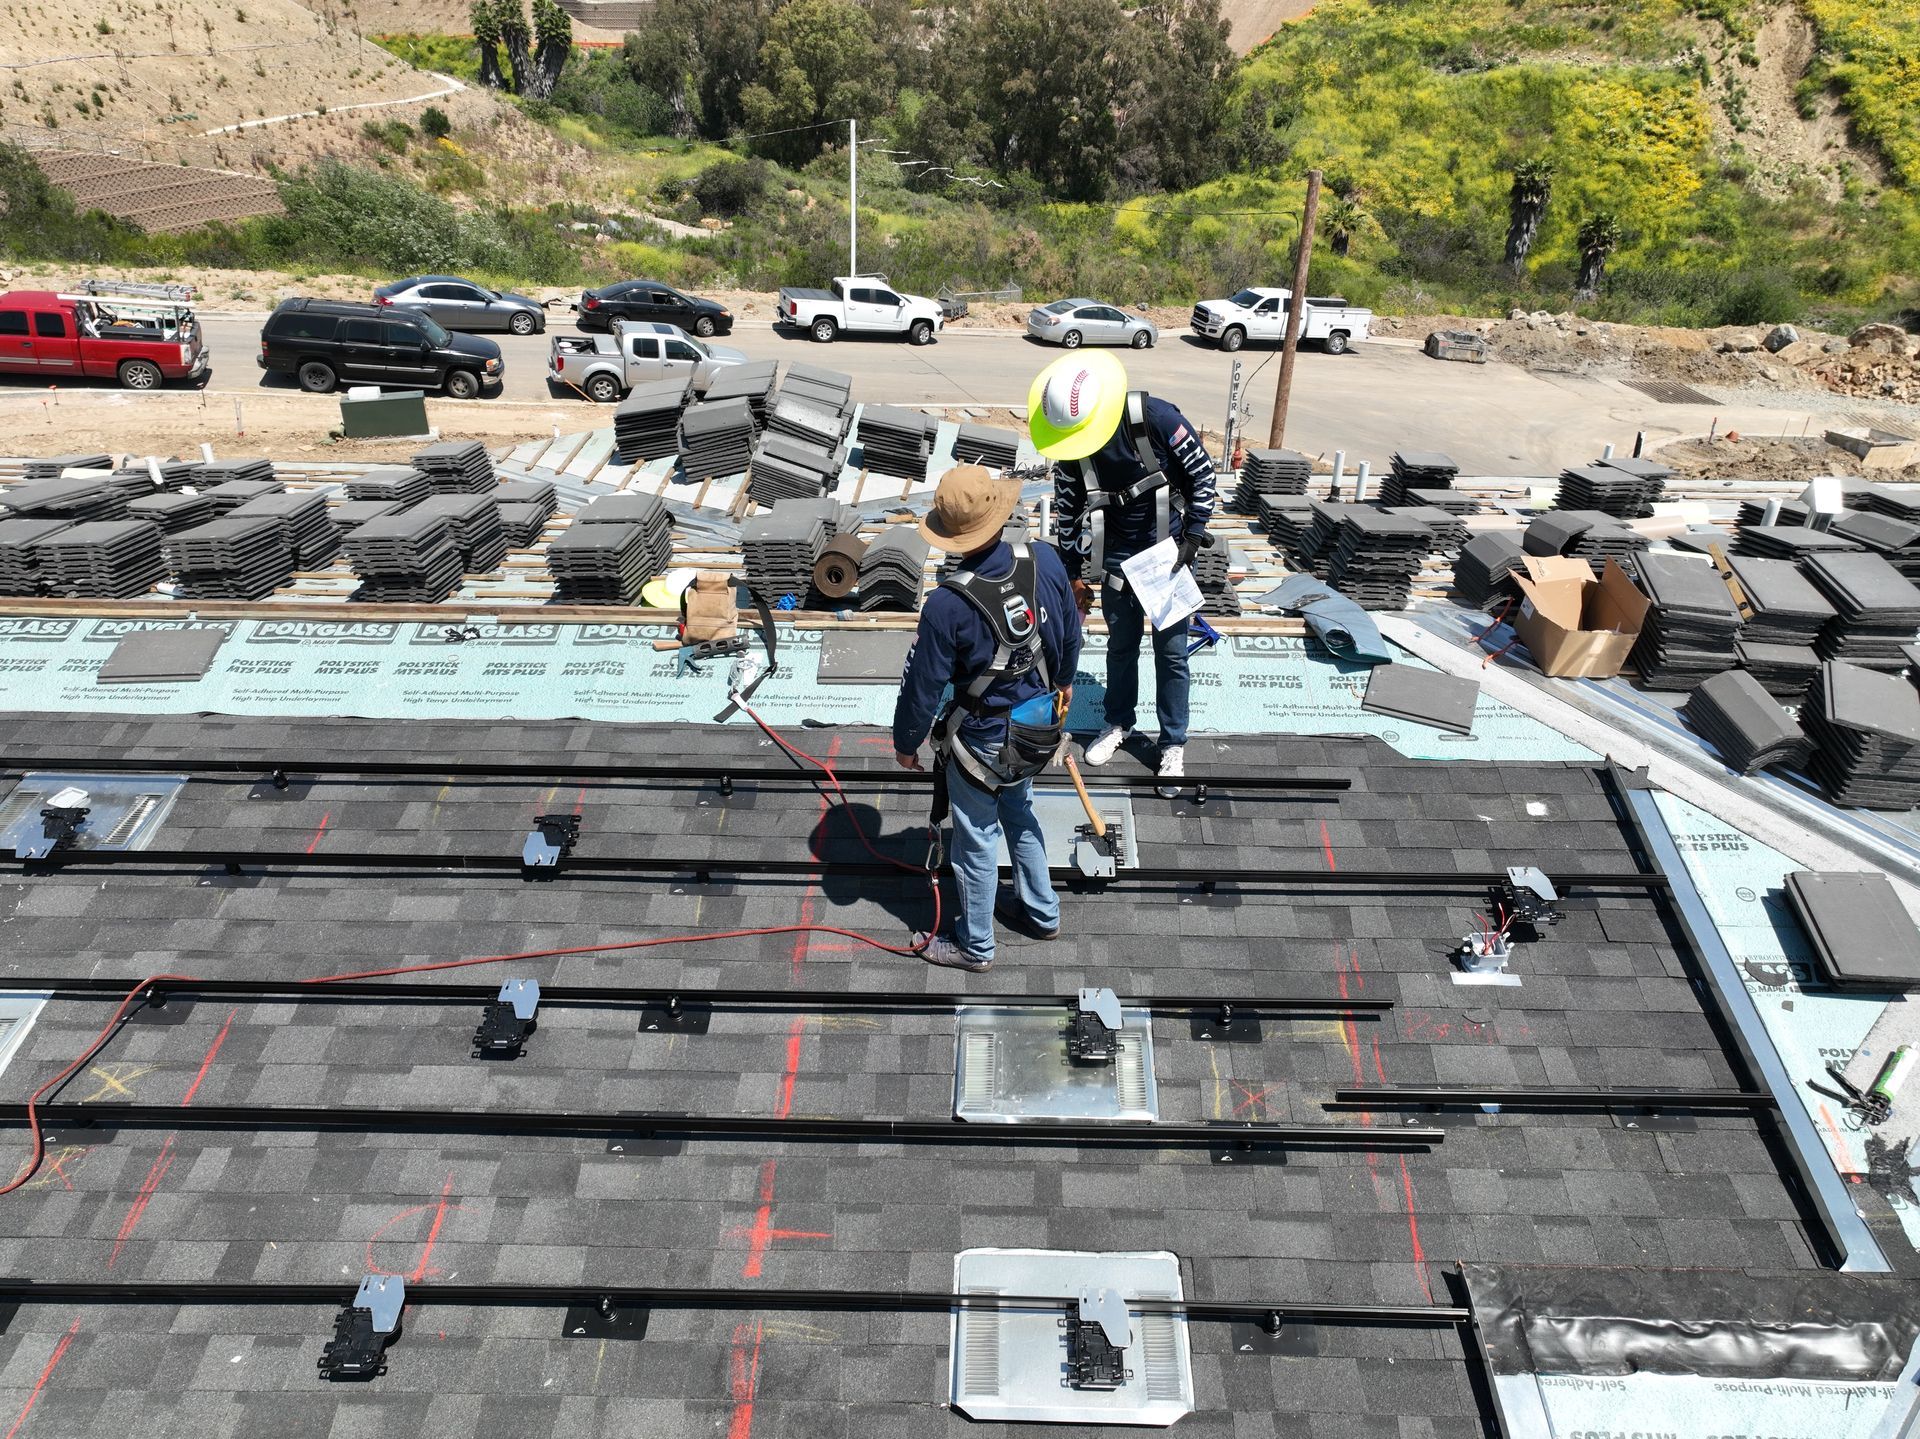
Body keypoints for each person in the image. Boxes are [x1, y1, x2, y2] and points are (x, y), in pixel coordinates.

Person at [894, 464, 1084, 972]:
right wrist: (1064, 681)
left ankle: (975, 946)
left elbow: (923, 686)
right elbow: (1070, 633)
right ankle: (1042, 913)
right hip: (1036, 725)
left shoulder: (946, 606)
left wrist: (907, 743)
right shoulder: (1044, 559)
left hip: (983, 741)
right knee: (1020, 811)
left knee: (975, 839)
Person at [1028, 351, 1216, 779]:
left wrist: (1194, 533)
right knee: (1121, 647)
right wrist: (1072, 573)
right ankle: (1118, 722)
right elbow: (1067, 511)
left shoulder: (1157, 419)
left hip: (1167, 551)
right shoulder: (1071, 445)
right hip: (1115, 555)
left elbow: (1203, 474)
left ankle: (1173, 742)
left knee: (1171, 654)